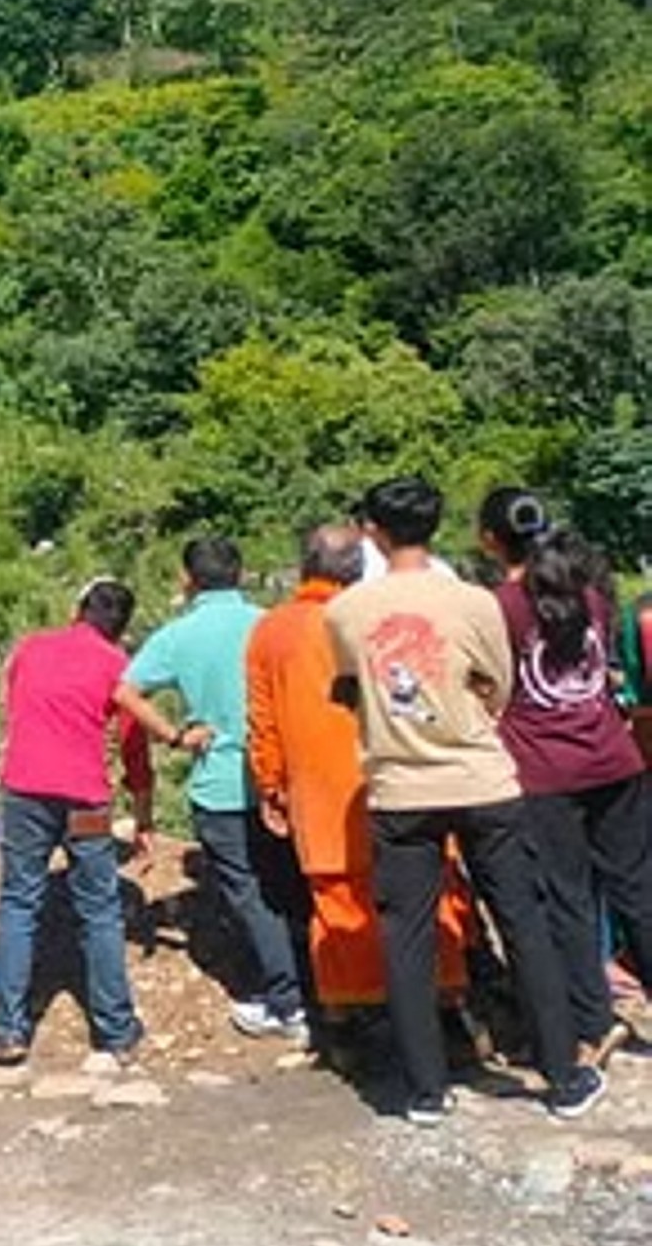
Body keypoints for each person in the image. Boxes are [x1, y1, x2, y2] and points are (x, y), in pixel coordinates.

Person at [328, 476, 599, 1124]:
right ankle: (561, 1076)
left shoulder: (345, 611)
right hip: (481, 776)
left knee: (407, 933)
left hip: (399, 785)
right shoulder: (475, 601)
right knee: (522, 921)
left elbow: (350, 688)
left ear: (373, 531)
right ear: (438, 525)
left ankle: (426, 1090)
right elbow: (499, 684)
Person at [248, 525, 474, 1035]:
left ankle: (350, 1021)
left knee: (339, 900)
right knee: (429, 892)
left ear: (303, 563)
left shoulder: (274, 629)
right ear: (358, 568)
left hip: (321, 791)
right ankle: (447, 1012)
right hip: (403, 773)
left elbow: (263, 721)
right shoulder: (378, 615)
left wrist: (271, 787)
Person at [476, 487, 650, 1065]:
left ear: (490, 540)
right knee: (638, 888)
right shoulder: (593, 593)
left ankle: (593, 1022)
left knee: (567, 901)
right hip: (614, 758)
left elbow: (490, 685)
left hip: (545, 774)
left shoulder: (498, 606)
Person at [115, 537, 310, 1043]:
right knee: (292, 885)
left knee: (249, 894)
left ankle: (287, 1002)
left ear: (188, 580)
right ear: (241, 575)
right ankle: (324, 989)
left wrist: (175, 736)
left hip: (220, 783)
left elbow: (125, 691)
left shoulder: (179, 635)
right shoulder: (269, 623)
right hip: (284, 780)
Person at [0, 580, 167, 1066]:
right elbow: (133, 747)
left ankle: (9, 1029)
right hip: (86, 799)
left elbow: (11, 705)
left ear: (78, 610)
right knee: (100, 909)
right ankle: (116, 1030)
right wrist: (143, 818)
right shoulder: (117, 666)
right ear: (120, 628)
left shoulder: (30, 649)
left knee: (18, 902)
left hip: (25, 790)